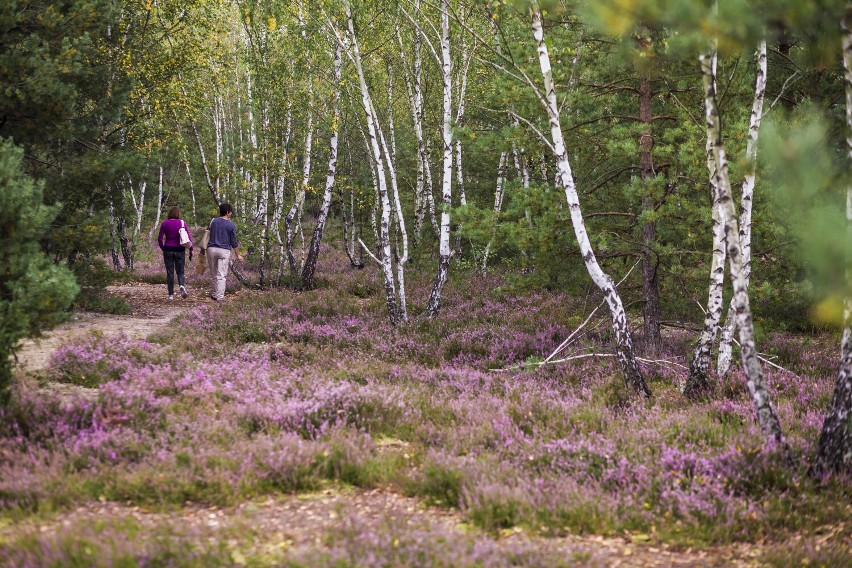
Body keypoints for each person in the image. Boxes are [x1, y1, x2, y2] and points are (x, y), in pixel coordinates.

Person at [204, 202, 243, 302]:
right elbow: (234, 242)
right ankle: (220, 297)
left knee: (213, 274)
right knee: (221, 275)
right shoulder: (230, 224)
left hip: (211, 249)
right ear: (227, 212)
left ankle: (214, 294)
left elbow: (207, 234)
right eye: (230, 212)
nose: (231, 214)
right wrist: (238, 255)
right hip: (224, 251)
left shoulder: (213, 221)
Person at [157, 206, 194, 300]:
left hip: (168, 249)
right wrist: (191, 249)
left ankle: (170, 295)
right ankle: (181, 285)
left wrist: (163, 248)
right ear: (178, 214)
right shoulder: (182, 223)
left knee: (170, 272)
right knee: (180, 271)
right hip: (179, 250)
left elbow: (160, 238)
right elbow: (188, 237)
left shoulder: (165, 223)